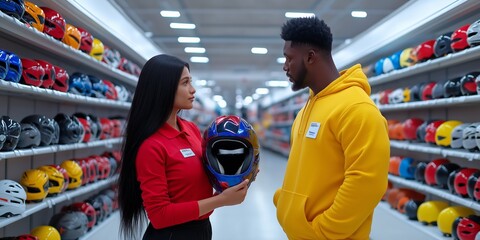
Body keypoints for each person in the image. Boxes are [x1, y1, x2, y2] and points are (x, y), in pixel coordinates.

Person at [273, 17, 390, 239]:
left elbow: (367, 182)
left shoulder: (357, 108)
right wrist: (285, 203)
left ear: (310, 57)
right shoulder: (306, 109)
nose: (285, 66)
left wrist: (323, 231)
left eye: (289, 58)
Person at [118, 54, 250, 240]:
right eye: (185, 83)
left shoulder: (191, 129)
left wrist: (241, 173)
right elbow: (159, 216)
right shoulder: (151, 145)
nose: (193, 90)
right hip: (172, 234)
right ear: (164, 89)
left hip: (201, 229)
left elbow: (200, 180)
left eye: (191, 82)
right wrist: (220, 200)